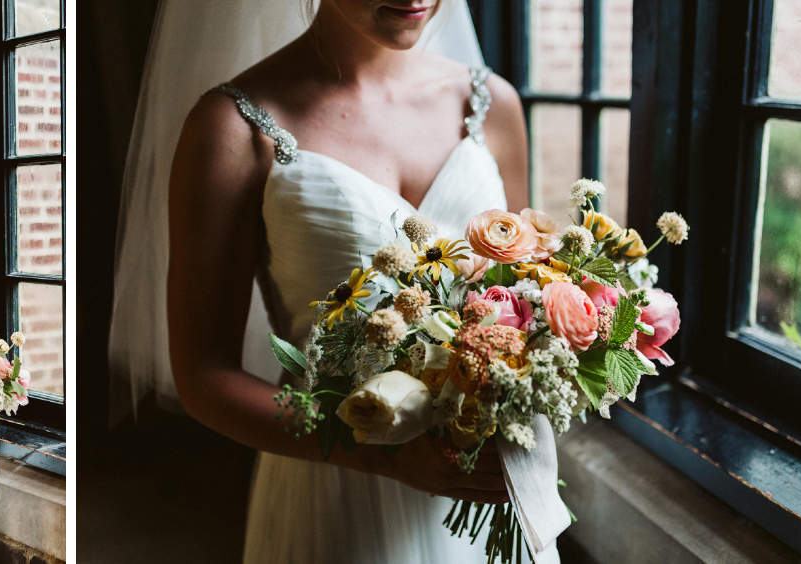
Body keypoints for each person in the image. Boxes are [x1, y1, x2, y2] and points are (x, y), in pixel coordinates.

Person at [129, 1, 531, 562]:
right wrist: (378, 455)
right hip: (335, 491)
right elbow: (202, 376)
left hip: (488, 492)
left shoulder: (494, 104)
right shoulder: (233, 127)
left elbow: (524, 296)